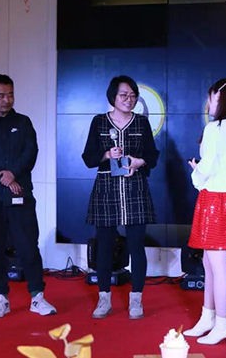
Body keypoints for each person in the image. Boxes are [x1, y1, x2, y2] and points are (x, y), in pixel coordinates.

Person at [0, 74, 56, 318]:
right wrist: (2, 176)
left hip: (20, 195)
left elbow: (31, 152)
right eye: (1, 96)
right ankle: (0, 297)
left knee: (28, 245)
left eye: (10, 95)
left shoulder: (23, 123)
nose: (6, 100)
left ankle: (37, 296)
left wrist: (13, 173)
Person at [82, 75, 159, 320]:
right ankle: (104, 298)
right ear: (112, 97)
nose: (129, 99)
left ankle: (136, 299)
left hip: (135, 187)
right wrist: (106, 154)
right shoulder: (99, 122)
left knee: (136, 246)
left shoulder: (141, 123)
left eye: (133, 95)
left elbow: (152, 156)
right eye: (123, 95)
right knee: (104, 246)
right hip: (107, 187)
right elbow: (88, 157)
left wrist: (139, 162)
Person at [185, 78, 226, 345]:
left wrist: (197, 173)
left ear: (221, 99)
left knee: (218, 266)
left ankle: (223, 322)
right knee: (210, 263)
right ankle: (208, 316)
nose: (208, 103)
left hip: (217, 200)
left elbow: (209, 165)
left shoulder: (216, 128)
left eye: (211, 97)